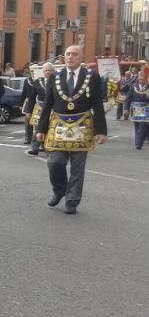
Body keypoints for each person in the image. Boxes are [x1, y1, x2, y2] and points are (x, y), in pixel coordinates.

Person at [35, 45, 108, 214]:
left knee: (77, 166)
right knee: (55, 162)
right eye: (67, 54)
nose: (70, 57)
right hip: (59, 125)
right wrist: (41, 128)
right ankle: (59, 190)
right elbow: (47, 104)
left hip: (82, 126)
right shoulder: (55, 76)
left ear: (81, 57)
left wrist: (101, 131)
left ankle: (72, 200)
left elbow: (98, 104)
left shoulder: (92, 77)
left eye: (74, 54)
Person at [25, 63, 55, 156]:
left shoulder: (58, 82)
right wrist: (28, 111)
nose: (47, 72)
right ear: (43, 71)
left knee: (51, 129)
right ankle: (35, 148)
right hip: (40, 107)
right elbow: (32, 97)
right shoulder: (38, 82)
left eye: (49, 70)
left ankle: (48, 148)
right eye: (46, 70)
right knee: (38, 128)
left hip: (53, 108)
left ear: (53, 71)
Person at [123, 70, 148, 150]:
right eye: (140, 79)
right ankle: (142, 138)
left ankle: (138, 143)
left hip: (146, 110)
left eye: (143, 79)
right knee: (137, 126)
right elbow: (128, 99)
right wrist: (126, 109)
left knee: (143, 125)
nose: (141, 81)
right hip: (135, 110)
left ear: (146, 79)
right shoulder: (133, 87)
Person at [20, 67, 37, 145]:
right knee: (27, 121)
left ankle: (37, 140)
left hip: (37, 102)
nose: (32, 73)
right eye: (31, 72)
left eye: (33, 72)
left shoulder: (39, 80)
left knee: (37, 121)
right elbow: (23, 92)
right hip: (28, 101)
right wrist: (20, 104)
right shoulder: (26, 81)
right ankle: (28, 138)